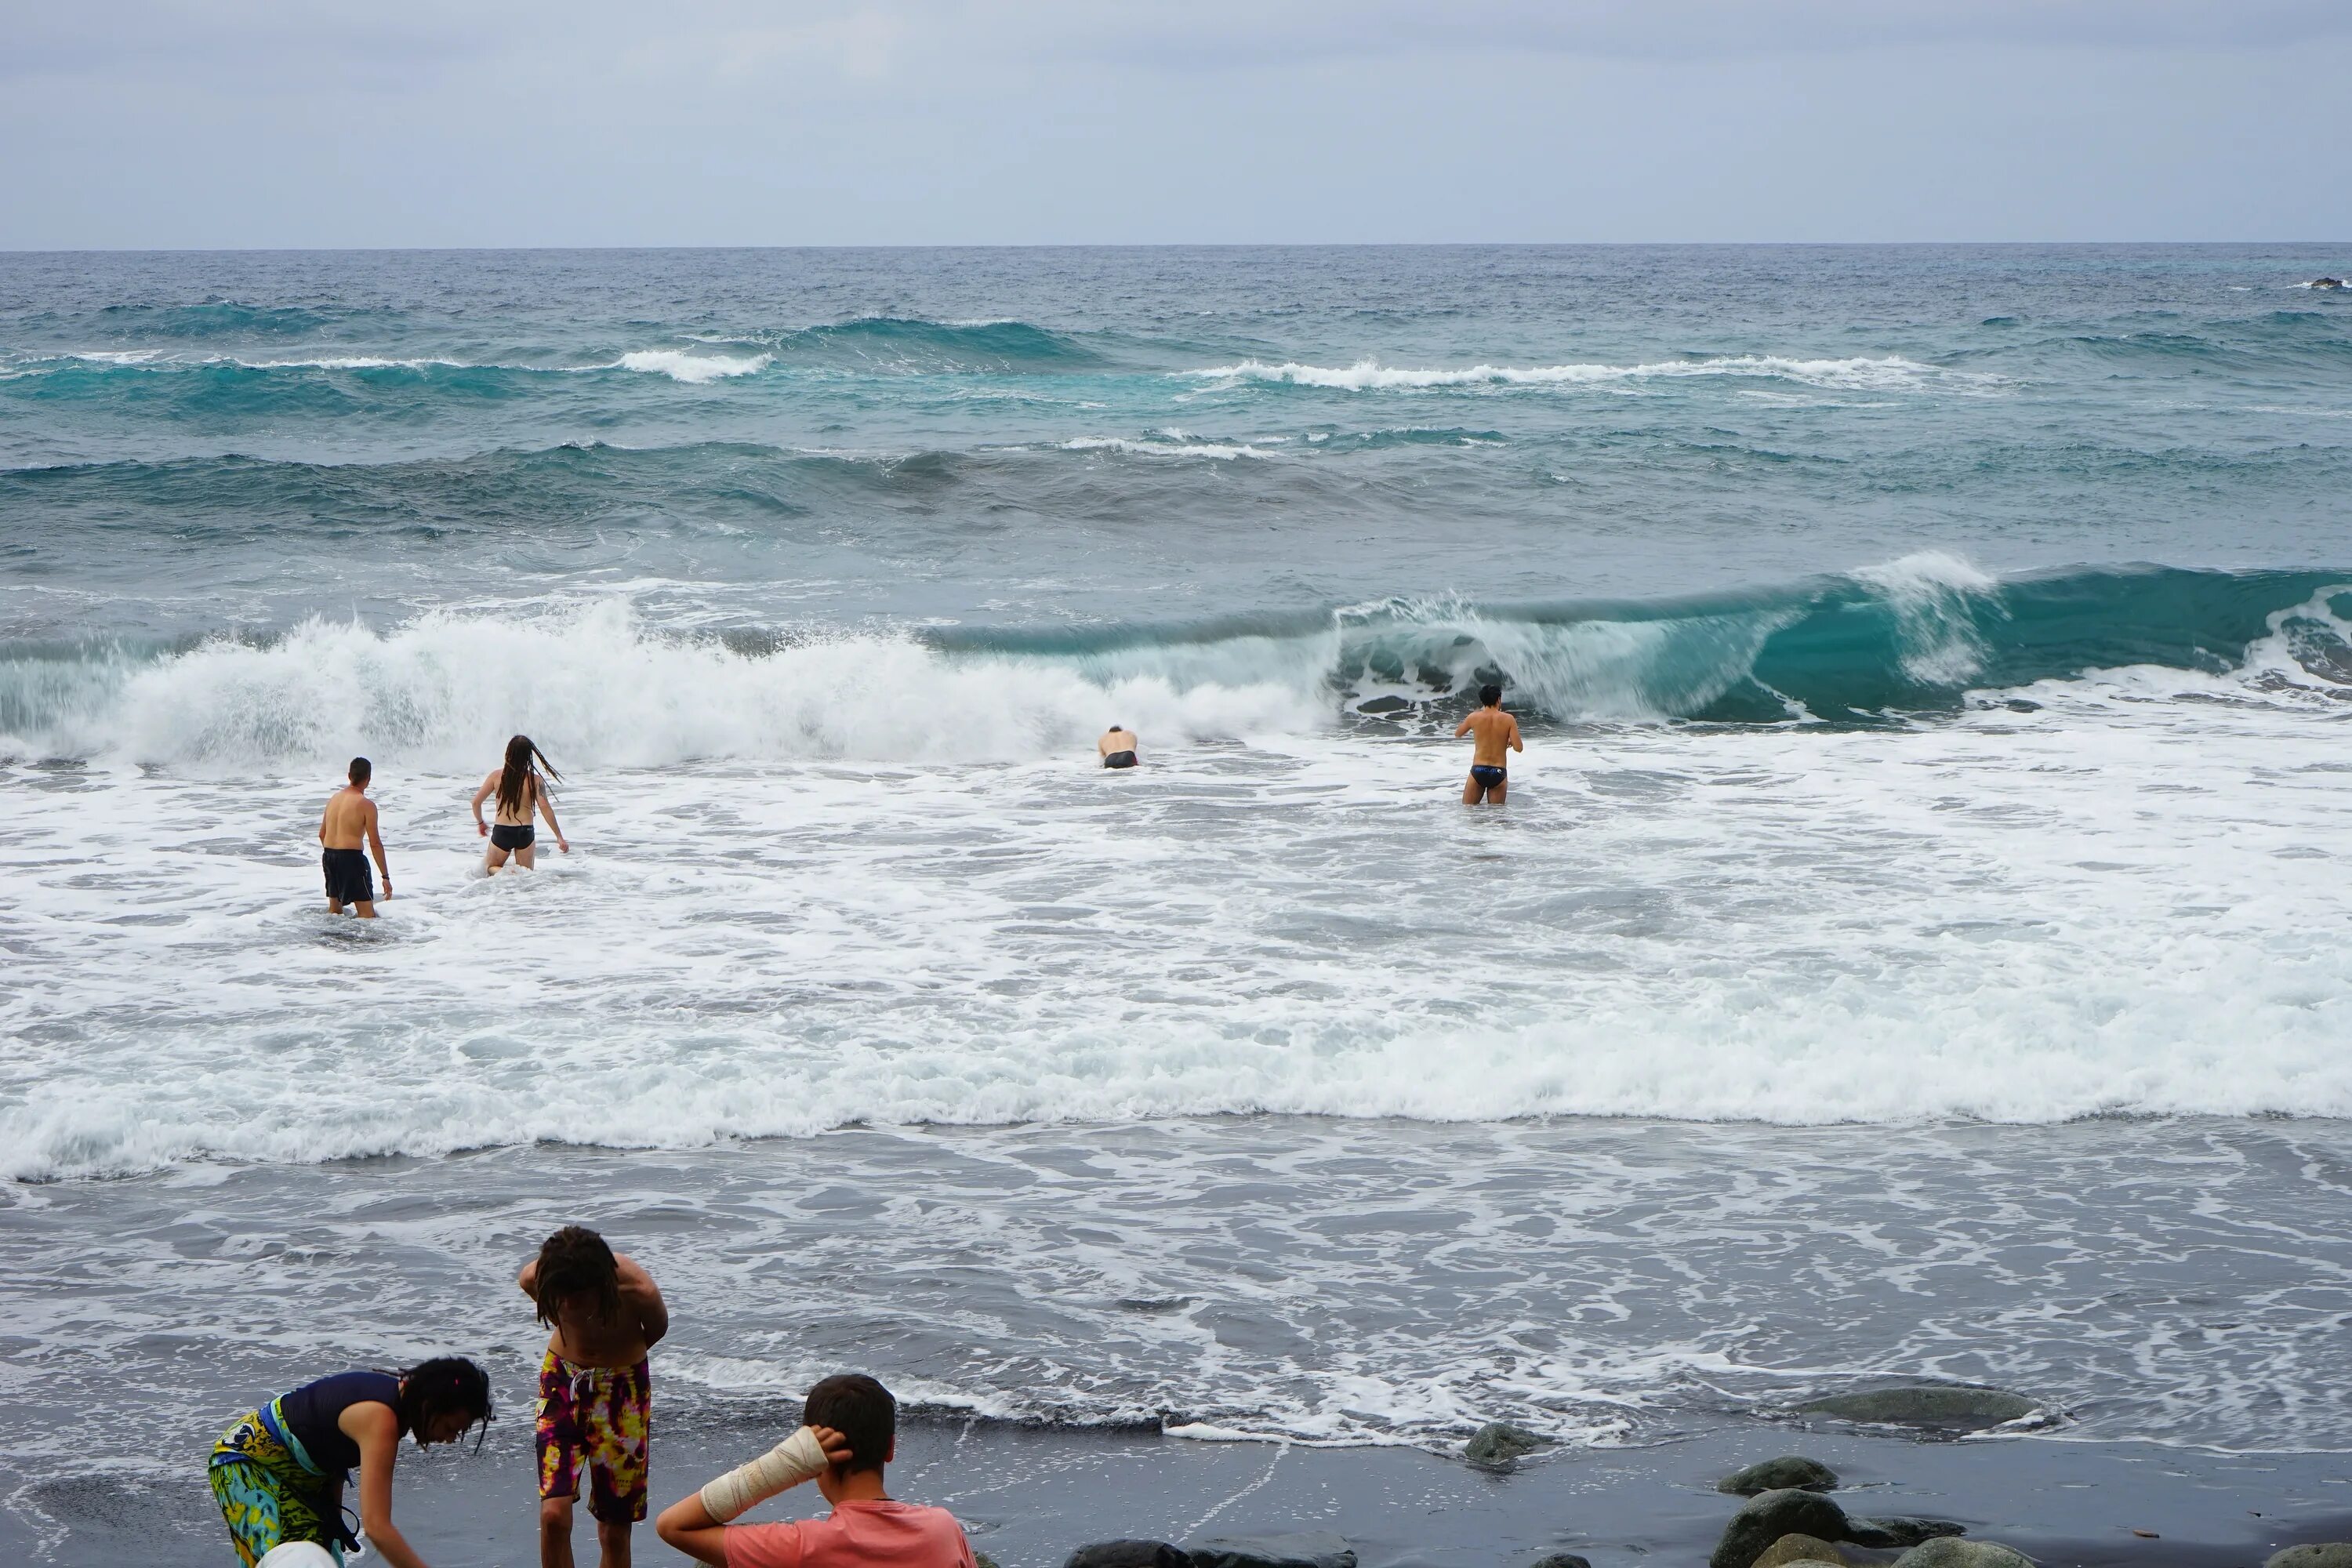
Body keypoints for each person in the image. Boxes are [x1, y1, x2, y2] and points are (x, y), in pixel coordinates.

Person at [655, 1373, 980, 1568]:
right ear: (890, 1448)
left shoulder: (801, 1547)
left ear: (810, 1456)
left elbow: (673, 1526)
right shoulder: (944, 1530)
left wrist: (780, 1467)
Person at [208, 1356, 493, 1568]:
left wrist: (330, 1515)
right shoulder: (381, 1418)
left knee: (323, 1557)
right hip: (246, 1462)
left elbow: (327, 1447)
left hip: (299, 1476)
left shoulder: (395, 1407)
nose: (450, 1438)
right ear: (431, 1406)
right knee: (288, 1557)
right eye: (450, 1428)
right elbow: (378, 1527)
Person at [521, 1226, 668, 1568]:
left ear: (602, 1285)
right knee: (554, 1516)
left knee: (614, 1530)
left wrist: (613, 1362)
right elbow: (529, 1281)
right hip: (561, 1382)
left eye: (579, 1297)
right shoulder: (545, 1277)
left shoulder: (637, 1290)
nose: (569, 1303)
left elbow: (658, 1328)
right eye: (563, 1296)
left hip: (623, 1394)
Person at [471, 734, 569, 873]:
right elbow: (545, 808)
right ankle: (516, 878)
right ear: (528, 756)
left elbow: (476, 803)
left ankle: (508, 873)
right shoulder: (535, 780)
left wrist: (481, 823)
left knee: (489, 868)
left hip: (503, 831)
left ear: (508, 753)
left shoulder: (497, 776)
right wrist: (559, 837)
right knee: (525, 876)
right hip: (525, 832)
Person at [319, 757, 391, 916]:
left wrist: (336, 857)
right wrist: (385, 877)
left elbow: (322, 834)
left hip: (329, 856)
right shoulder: (366, 805)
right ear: (368, 779)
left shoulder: (334, 799)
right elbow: (375, 844)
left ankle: (333, 941)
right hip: (351, 860)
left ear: (349, 776)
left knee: (335, 913)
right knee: (367, 917)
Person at [1452, 684, 1523, 804]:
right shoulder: (1508, 719)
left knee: (1469, 813)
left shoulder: (1474, 717)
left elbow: (1458, 733)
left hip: (1478, 770)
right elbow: (1519, 748)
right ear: (1498, 700)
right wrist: (1509, 741)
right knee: (1496, 818)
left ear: (1482, 700)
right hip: (1498, 772)